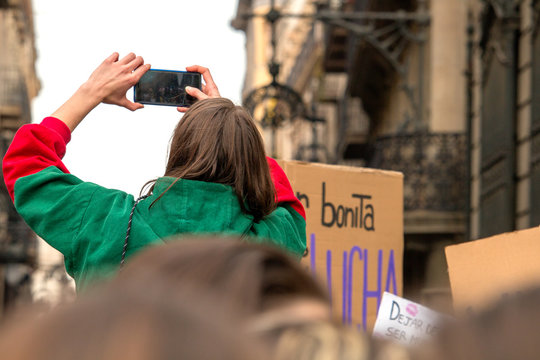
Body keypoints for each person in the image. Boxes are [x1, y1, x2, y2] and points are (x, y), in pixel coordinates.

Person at [2, 52, 306, 291]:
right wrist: (226, 126)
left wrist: (90, 93)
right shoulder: (271, 243)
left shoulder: (103, 221)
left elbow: (26, 161)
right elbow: (288, 204)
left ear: (180, 149)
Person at [0, 273, 267, 360]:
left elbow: (28, 166)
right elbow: (293, 211)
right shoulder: (267, 233)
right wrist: (249, 148)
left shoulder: (106, 216)